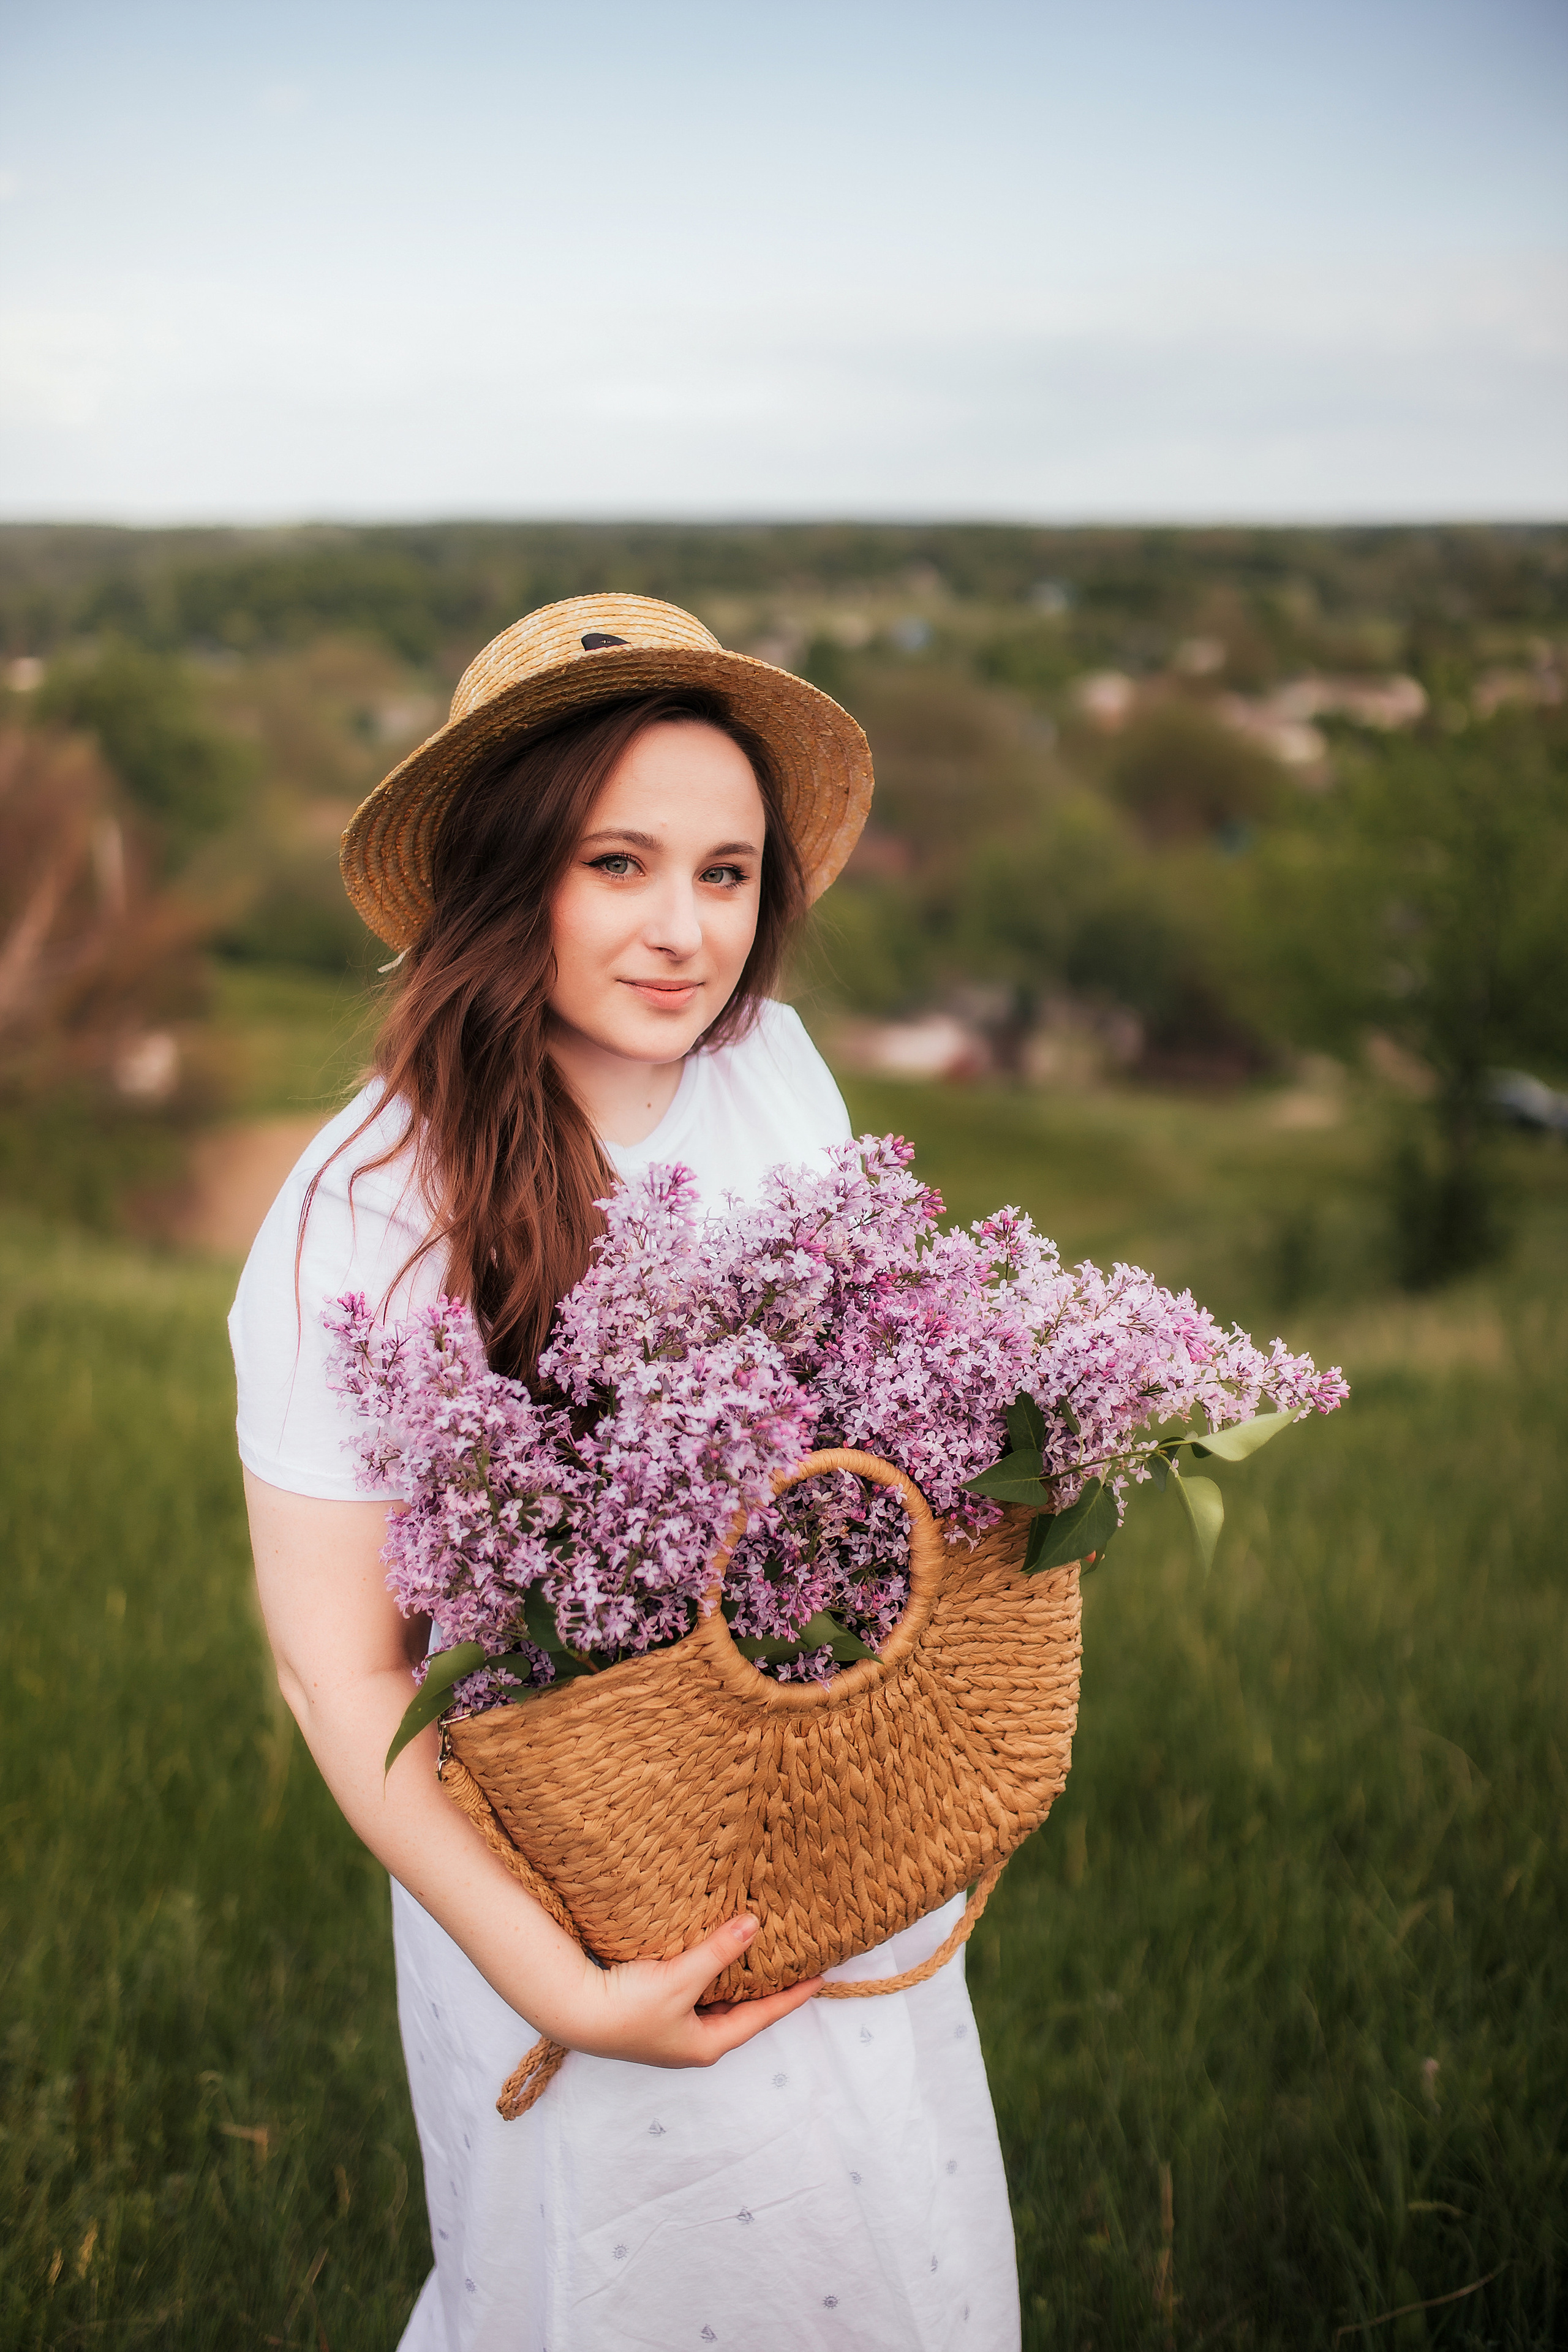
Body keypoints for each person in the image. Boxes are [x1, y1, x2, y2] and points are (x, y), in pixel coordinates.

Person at [232, 595, 1022, 2351]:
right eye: (619, 864)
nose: (685, 932)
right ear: (509, 878)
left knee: (883, 2236)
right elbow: (339, 1673)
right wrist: (568, 1990)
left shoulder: (775, 1071)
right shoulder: (368, 1212)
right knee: (616, 2272)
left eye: (727, 874)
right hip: (561, 1880)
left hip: (828, 1808)